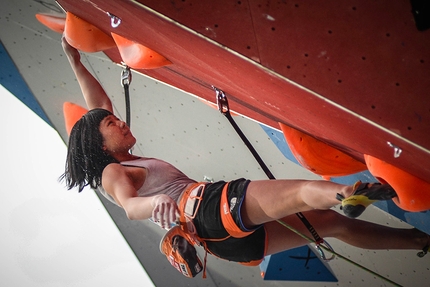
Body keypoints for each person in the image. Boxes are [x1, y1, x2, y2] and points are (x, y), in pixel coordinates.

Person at [60, 37, 429, 268]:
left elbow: (100, 106)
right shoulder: (112, 173)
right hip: (209, 210)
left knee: (331, 225)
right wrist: (151, 205)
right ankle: (348, 194)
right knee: (305, 193)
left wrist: (76, 61)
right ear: (100, 144)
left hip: (225, 245)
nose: (120, 122)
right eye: (111, 125)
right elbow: (129, 206)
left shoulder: (120, 157)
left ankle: (420, 242)